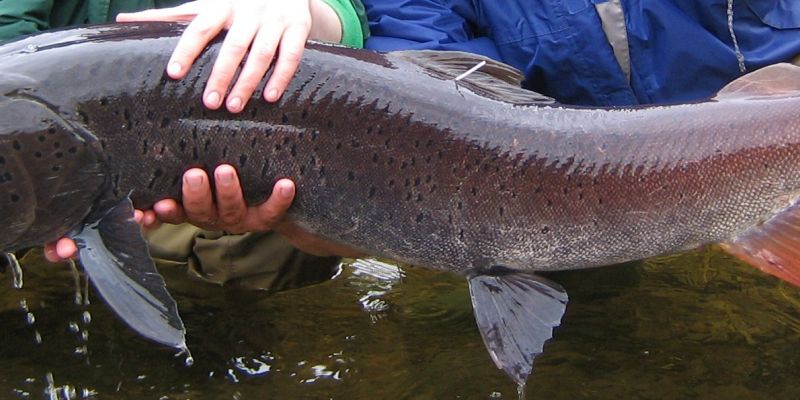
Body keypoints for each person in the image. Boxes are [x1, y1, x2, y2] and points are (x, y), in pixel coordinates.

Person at [41, 1, 800, 274]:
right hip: (542, 202)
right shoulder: (410, 5)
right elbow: (406, 132)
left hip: (745, 146)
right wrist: (304, 14)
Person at [1, 0, 368, 290]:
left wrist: (304, 10)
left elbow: (354, 21)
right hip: (65, 165)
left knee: (283, 233)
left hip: (248, 183)